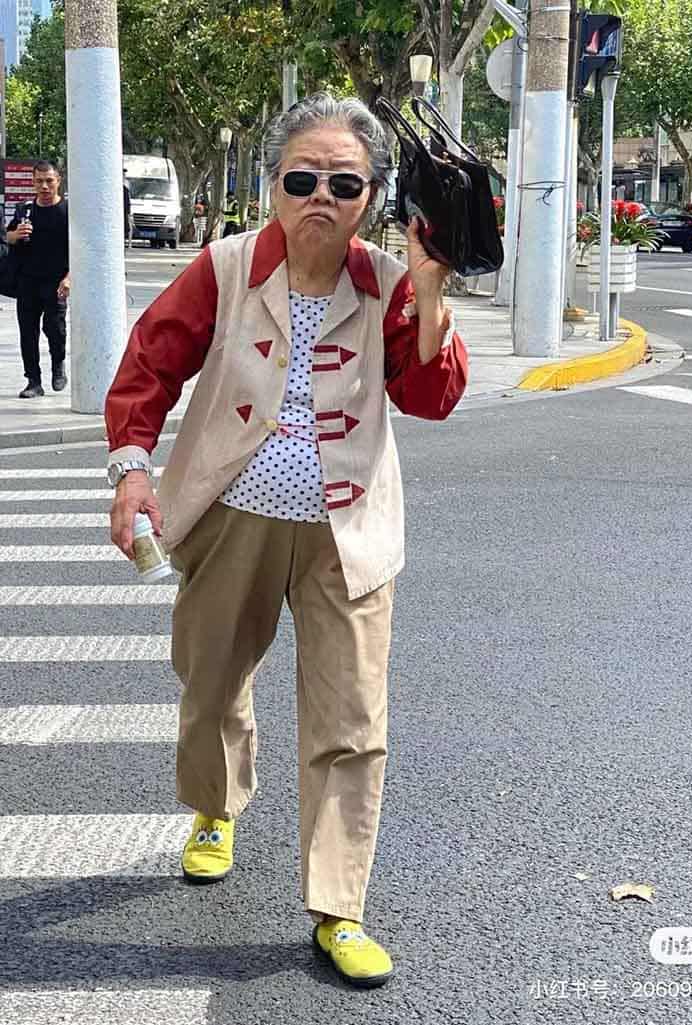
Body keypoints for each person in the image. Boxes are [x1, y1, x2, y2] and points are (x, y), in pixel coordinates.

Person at [105, 93, 468, 989]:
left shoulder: (386, 280)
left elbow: (431, 395)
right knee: (212, 676)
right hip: (233, 514)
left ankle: (338, 906)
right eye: (301, 178)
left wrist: (429, 294)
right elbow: (150, 361)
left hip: (349, 531)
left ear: (371, 195)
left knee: (352, 719)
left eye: (343, 183)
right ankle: (215, 808)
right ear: (271, 186)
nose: (320, 197)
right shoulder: (225, 267)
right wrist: (132, 473)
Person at [6, 160, 69, 398]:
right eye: (39, 181)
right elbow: (7, 238)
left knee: (55, 329)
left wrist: (69, 278)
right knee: (28, 333)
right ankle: (33, 381)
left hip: (56, 283)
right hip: (28, 281)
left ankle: (58, 366)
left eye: (49, 181)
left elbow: (80, 249)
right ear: (32, 182)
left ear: (58, 181)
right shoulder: (24, 210)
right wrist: (15, 235)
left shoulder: (67, 211)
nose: (44, 186)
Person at [123, 169, 132, 245]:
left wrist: (129, 212)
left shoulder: (125, 188)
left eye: (124, 175)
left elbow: (128, 202)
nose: (124, 176)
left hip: (124, 214)